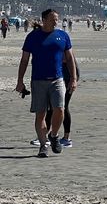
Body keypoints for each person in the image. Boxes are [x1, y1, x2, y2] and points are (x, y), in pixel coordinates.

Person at [16, 9, 78, 158]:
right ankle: (43, 145)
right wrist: (20, 81)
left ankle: (54, 135)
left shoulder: (63, 36)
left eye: (56, 19)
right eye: (52, 19)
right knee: (41, 115)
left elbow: (70, 59)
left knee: (60, 109)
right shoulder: (32, 37)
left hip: (58, 80)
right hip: (38, 81)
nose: (55, 22)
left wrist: (73, 79)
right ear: (44, 19)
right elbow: (24, 60)